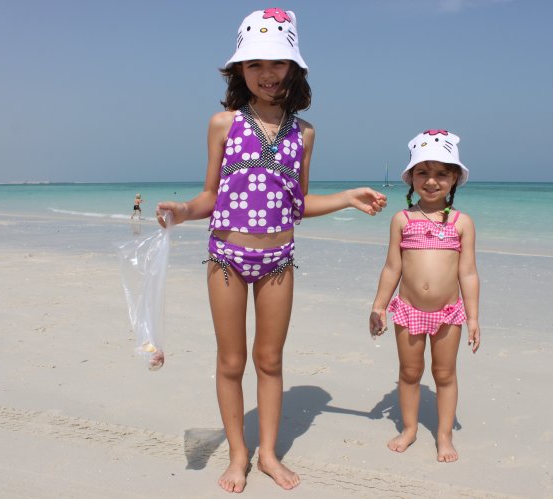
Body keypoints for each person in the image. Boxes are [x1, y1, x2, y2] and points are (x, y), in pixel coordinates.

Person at [155, 8, 386, 493]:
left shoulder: (304, 134)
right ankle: (239, 455)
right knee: (231, 362)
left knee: (271, 360)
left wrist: (346, 197)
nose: (267, 74)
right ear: (239, 70)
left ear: (293, 68)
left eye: (278, 63)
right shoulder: (223, 124)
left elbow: (297, 204)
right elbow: (211, 196)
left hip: (279, 261)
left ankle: (268, 455)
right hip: (226, 259)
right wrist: (181, 210)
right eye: (255, 63)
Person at [369, 129, 480, 463]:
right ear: (411, 178)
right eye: (423, 172)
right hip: (408, 310)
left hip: (448, 313)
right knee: (410, 372)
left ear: (455, 178)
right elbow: (392, 267)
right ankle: (409, 429)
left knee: (445, 374)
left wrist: (473, 317)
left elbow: (468, 273)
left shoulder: (462, 223)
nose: (432, 181)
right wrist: (379, 306)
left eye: (442, 173)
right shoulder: (402, 220)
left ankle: (444, 436)